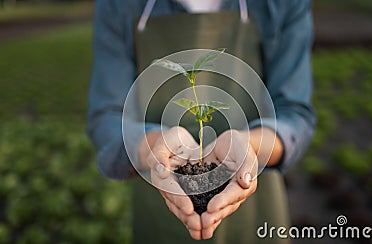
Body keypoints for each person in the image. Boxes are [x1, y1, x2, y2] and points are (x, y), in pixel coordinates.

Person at [87, 0, 315, 243]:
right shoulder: (119, 5)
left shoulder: (281, 4)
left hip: (255, 202)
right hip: (161, 192)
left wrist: (250, 145)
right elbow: (107, 117)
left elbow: (295, 114)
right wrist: (154, 145)